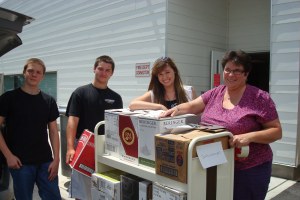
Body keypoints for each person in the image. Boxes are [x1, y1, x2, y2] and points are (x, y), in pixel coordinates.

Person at [160, 50, 282, 200]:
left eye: (237, 71)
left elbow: (276, 131)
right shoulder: (215, 93)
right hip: (215, 165)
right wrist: (174, 110)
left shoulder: (259, 98)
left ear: (246, 73)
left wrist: (249, 137)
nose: (231, 75)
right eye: (228, 70)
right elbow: (192, 106)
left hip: (248, 170)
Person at [0, 58, 61, 200]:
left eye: (38, 72)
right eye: (30, 71)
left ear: (42, 76)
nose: (34, 74)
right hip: (20, 163)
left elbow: (53, 131)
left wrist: (56, 159)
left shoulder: (49, 101)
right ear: (24, 73)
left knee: (53, 196)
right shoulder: (8, 98)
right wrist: (8, 156)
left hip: (46, 162)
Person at [66, 55, 123, 200]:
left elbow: (117, 125)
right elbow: (72, 121)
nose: (103, 73)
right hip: (84, 146)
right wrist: (70, 148)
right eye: (100, 68)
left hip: (106, 149)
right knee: (82, 192)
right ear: (94, 69)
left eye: (107, 70)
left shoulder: (116, 98)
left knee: (103, 189)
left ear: (112, 73)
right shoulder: (80, 93)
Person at [129, 56, 197, 111]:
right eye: (160, 74)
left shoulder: (189, 91)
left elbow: (199, 113)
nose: (164, 77)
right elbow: (132, 104)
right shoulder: (153, 94)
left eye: (167, 72)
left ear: (174, 71)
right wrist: (160, 107)